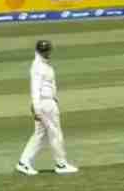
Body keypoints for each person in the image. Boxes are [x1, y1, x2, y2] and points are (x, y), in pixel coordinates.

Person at [16, 39, 78, 176]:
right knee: (55, 133)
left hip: (48, 102)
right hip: (45, 104)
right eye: (45, 51)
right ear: (39, 51)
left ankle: (23, 162)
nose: (47, 52)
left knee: (40, 135)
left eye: (48, 50)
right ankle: (61, 164)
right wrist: (37, 108)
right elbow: (35, 89)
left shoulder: (44, 64)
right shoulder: (38, 67)